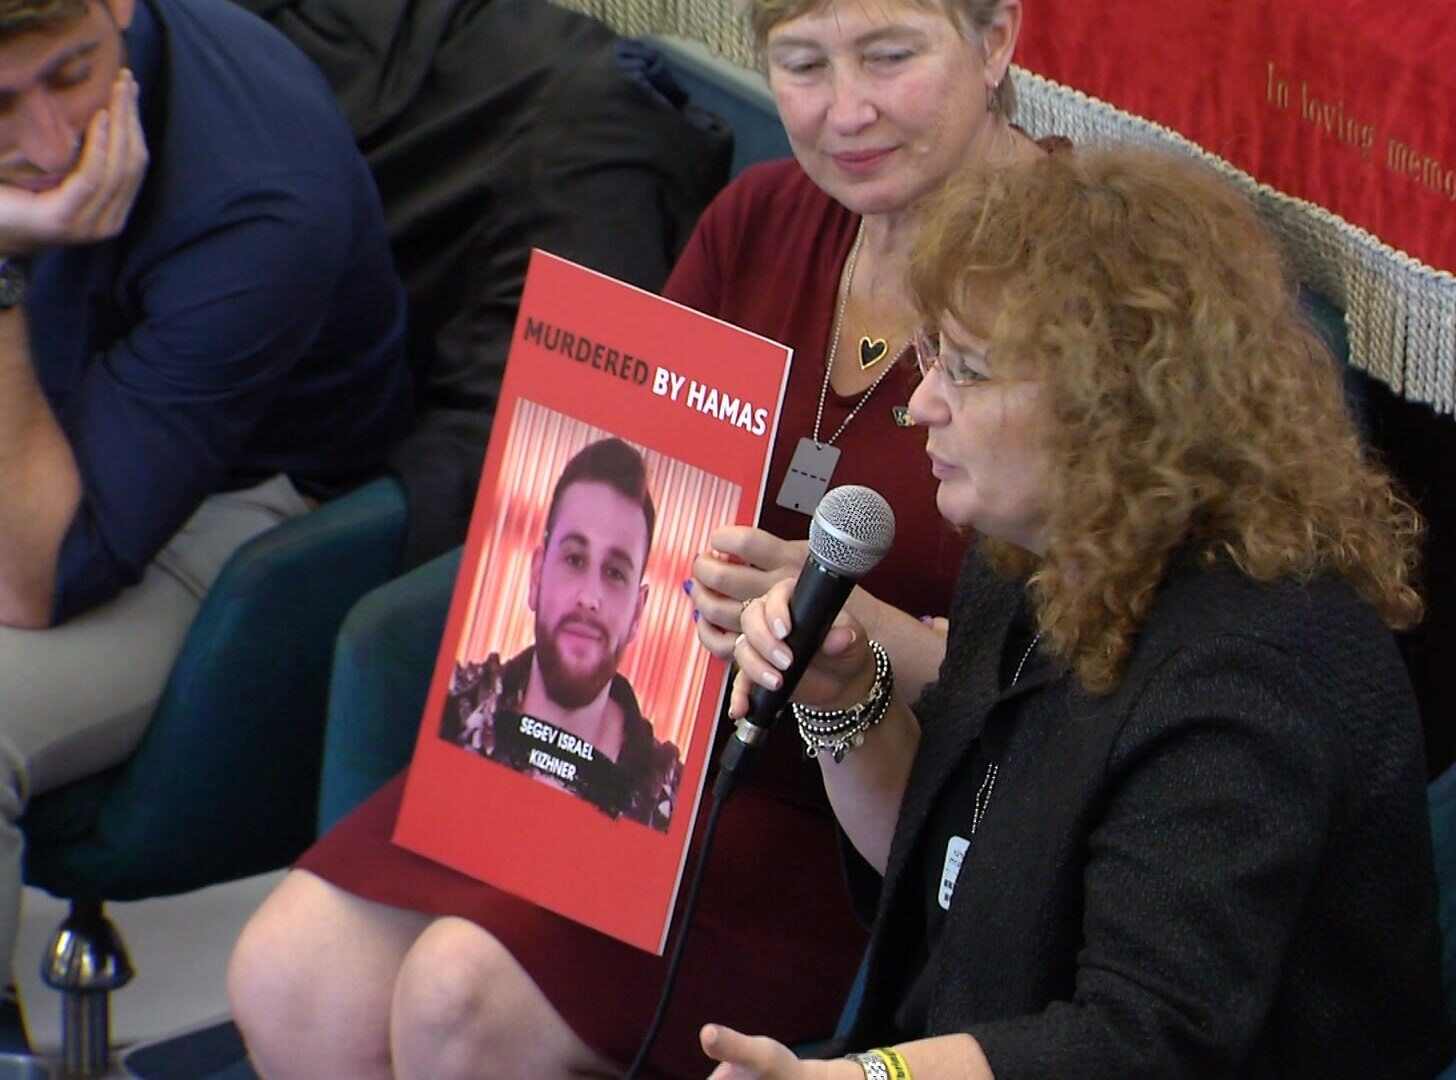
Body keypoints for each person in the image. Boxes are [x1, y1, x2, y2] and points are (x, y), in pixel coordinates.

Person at [227, 0, 1048, 1075]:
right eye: (801, 65)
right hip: (650, 732)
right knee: (292, 973)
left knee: (457, 998)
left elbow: (1069, 672)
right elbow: (632, 476)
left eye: (889, 57)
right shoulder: (760, 215)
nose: (846, 110)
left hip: (863, 807)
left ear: (995, 42)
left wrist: (841, 620)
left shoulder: (1073, 274)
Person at [708, 147, 1451, 1078]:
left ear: (1120, 402)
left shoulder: (1250, 674)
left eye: (969, 371)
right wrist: (842, 695)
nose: (921, 403)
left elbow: (1139, 1045)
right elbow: (949, 870)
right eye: (930, 352)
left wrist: (860, 1079)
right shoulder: (1034, 554)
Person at [0, 0, 408, 978]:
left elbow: (34, 574)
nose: (49, 144)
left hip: (238, 519)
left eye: (70, 74)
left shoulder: (263, 201)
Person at [438, 437, 679, 829]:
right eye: (574, 558)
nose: (589, 598)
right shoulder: (452, 709)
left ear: (638, 612)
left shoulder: (671, 800)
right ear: (535, 577)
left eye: (615, 572)